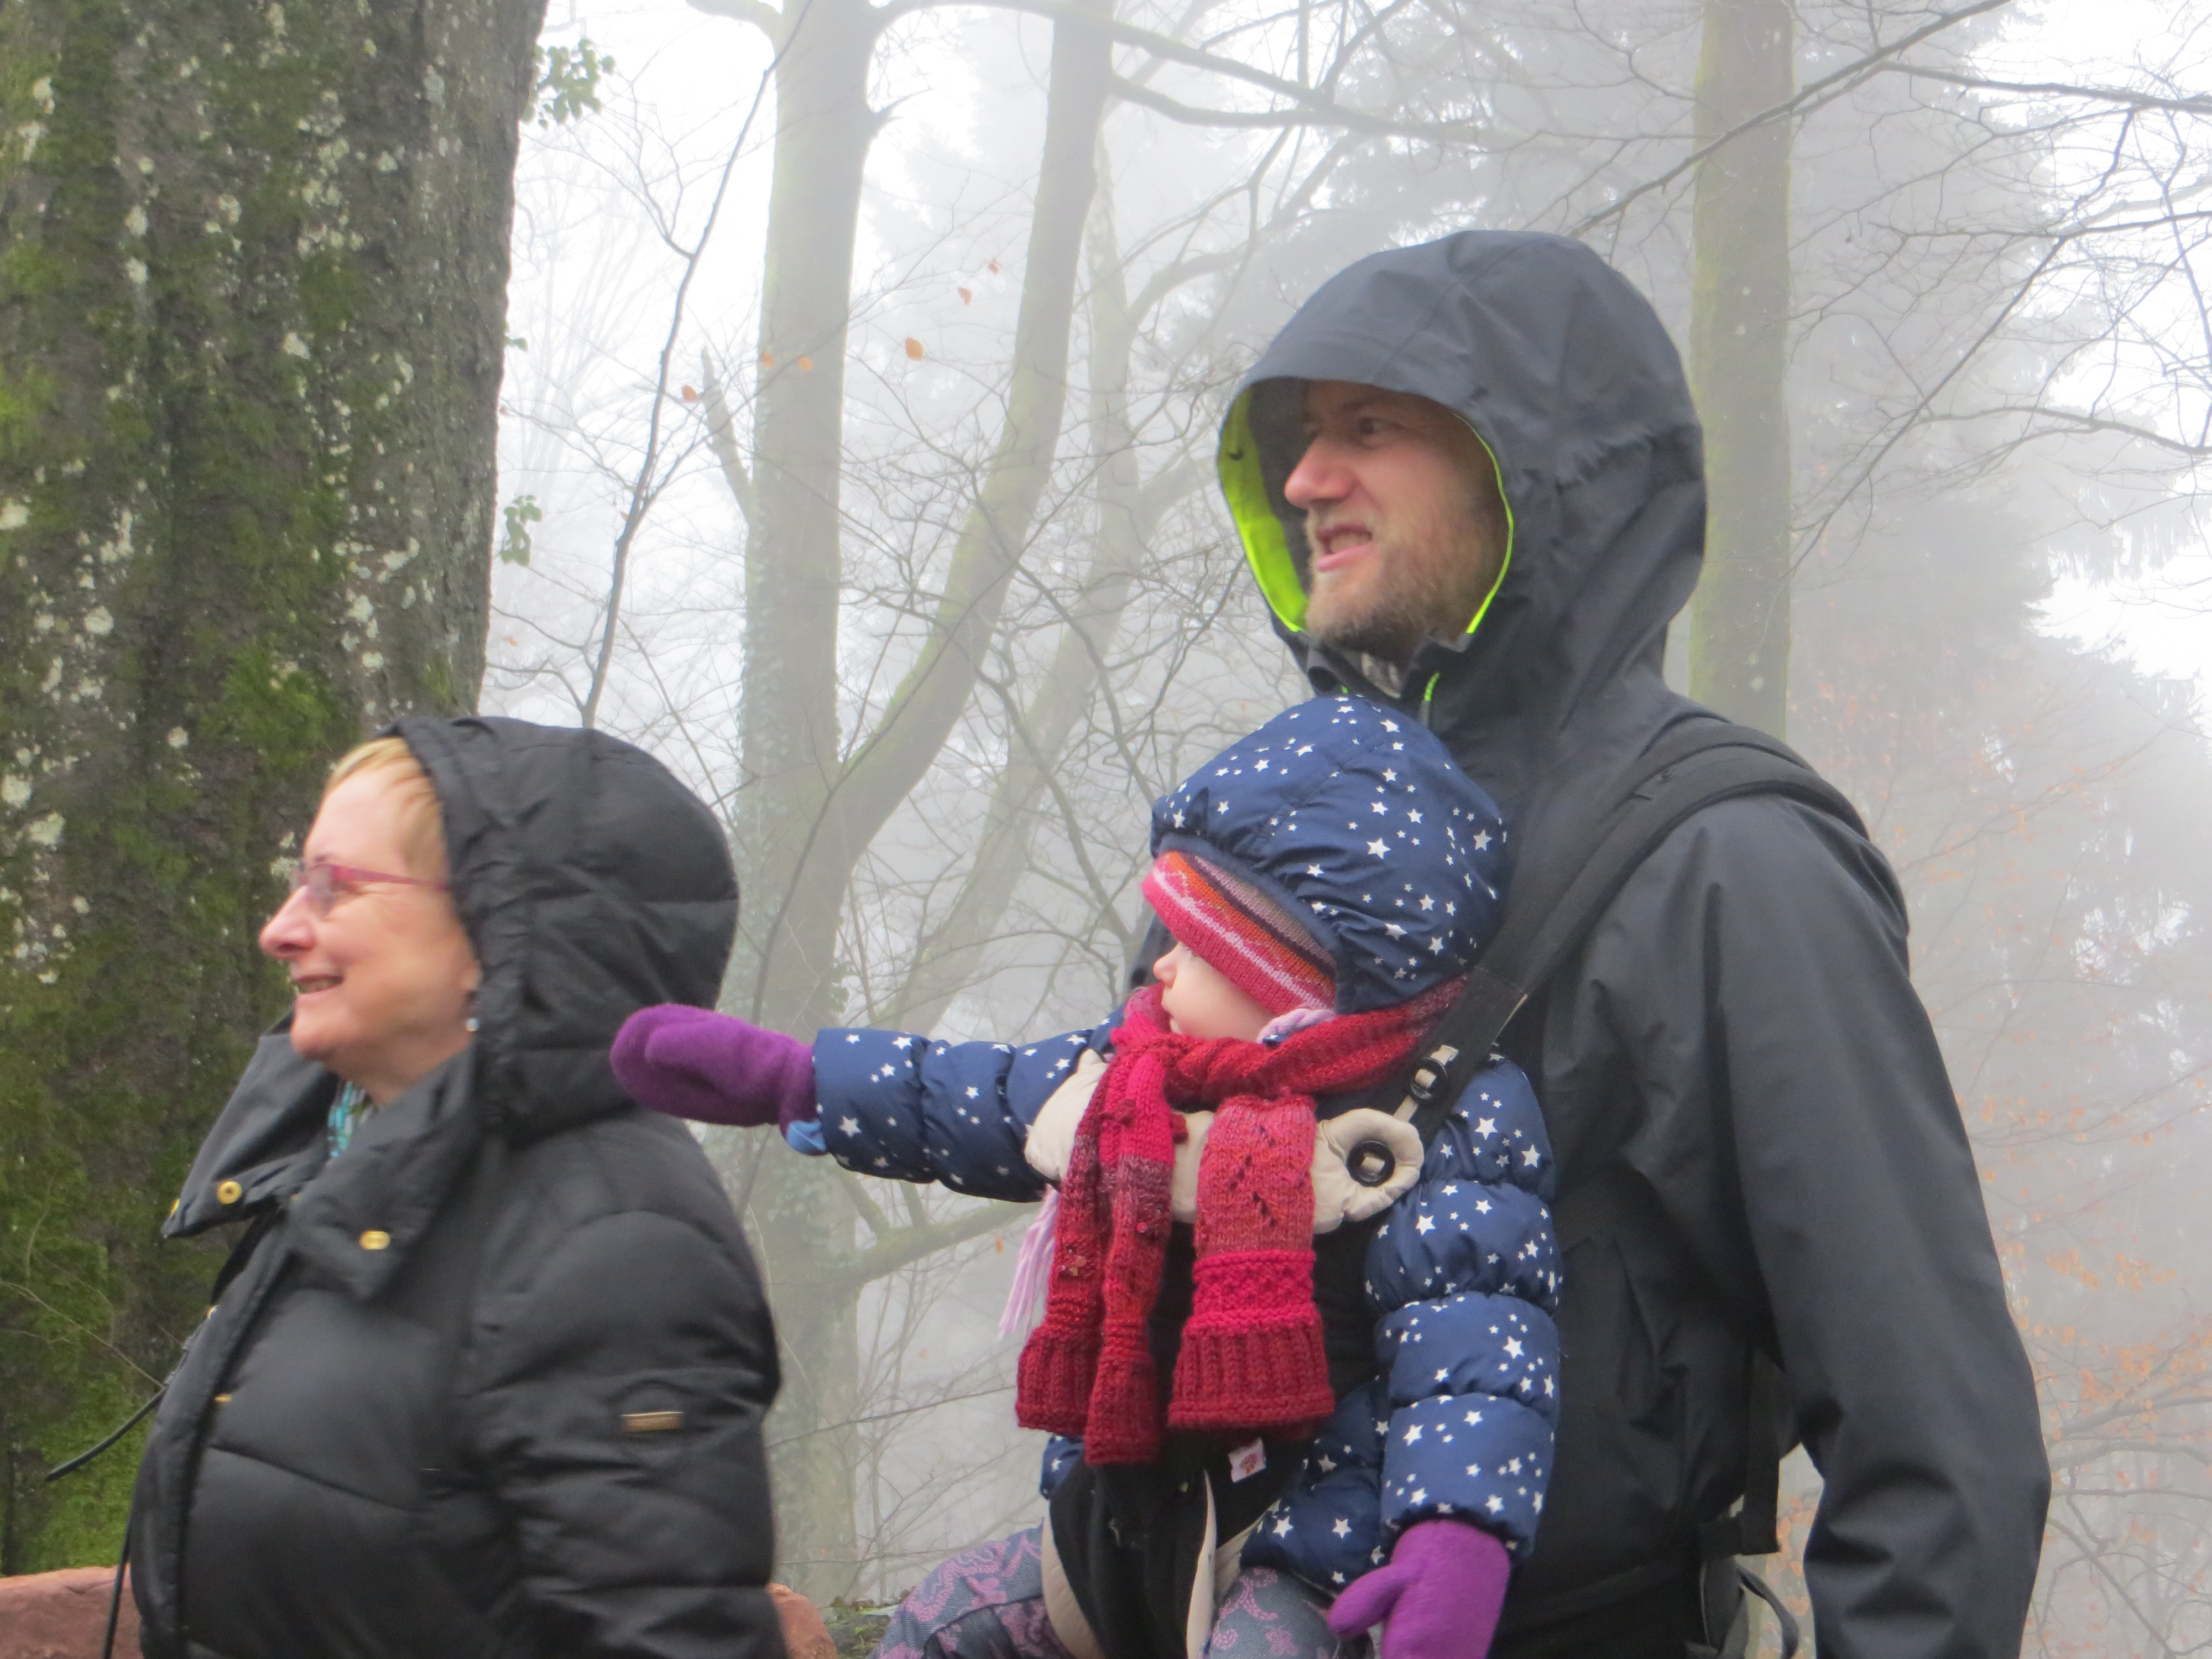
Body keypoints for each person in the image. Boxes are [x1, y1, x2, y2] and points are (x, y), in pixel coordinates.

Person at [1201, 230, 2049, 1656]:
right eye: (1294, 440)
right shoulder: (1280, 838)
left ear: (1534, 472)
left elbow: (1933, 1440)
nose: (1302, 481)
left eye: (1367, 428)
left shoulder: (1731, 862)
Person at [614, 698, 1563, 1659]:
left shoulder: (1441, 1120)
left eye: (1195, 947)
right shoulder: (1136, 1072)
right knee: (945, 1623)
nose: (1160, 971)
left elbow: (1476, 1347)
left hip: (1311, 1541)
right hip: (1126, 1508)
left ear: (1293, 983)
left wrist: (1456, 1537)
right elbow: (974, 1097)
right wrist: (796, 1079)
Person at [127, 718, 787, 1659]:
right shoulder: (356, 1181)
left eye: (335, 885)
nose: (281, 929)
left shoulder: (618, 1249)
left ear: (497, 927)